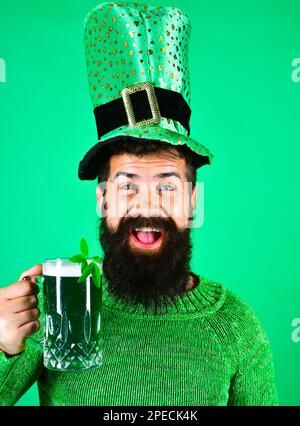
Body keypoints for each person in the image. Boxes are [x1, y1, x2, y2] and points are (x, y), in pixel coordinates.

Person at [0, 2, 278, 405]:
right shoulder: (60, 304)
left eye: (167, 187)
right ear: (102, 198)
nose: (147, 205)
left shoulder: (235, 328)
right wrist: (6, 347)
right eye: (128, 185)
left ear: (193, 202)